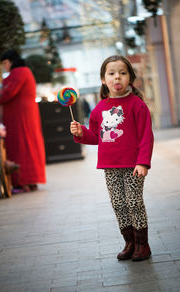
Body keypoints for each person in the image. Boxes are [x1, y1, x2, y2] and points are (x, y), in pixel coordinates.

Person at [70, 55, 154, 261]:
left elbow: (146, 136)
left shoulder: (137, 105)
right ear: (103, 79)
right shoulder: (99, 109)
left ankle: (143, 245)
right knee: (118, 204)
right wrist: (80, 132)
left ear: (130, 78)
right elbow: (96, 137)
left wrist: (143, 162)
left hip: (134, 165)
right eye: (112, 73)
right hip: (110, 166)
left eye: (123, 73)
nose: (117, 77)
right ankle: (129, 242)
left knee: (134, 202)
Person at [0, 49, 46, 193]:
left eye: (5, 63)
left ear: (11, 61)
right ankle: (31, 181)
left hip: (19, 117)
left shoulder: (19, 72)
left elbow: (8, 92)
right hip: (27, 115)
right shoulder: (26, 71)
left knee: (20, 147)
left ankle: (22, 182)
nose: (5, 66)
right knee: (30, 146)